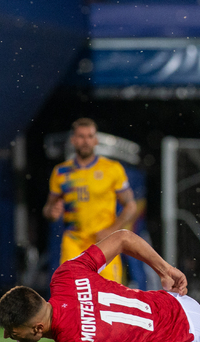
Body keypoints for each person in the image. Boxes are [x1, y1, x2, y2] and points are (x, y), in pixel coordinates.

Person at [0, 229, 200, 342]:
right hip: (177, 301)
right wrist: (165, 270)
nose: (6, 336)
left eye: (12, 333)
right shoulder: (65, 275)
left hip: (186, 336)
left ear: (37, 328)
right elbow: (123, 238)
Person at [43, 118, 137, 283]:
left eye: (89, 136)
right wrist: (51, 212)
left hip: (104, 245)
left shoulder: (112, 169)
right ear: (73, 140)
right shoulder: (61, 172)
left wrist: (112, 230)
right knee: (71, 296)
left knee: (110, 298)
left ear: (95, 140)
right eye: (81, 136)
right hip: (73, 244)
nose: (85, 141)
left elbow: (130, 206)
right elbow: (49, 209)